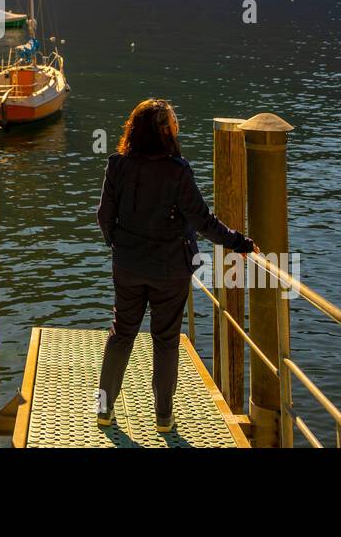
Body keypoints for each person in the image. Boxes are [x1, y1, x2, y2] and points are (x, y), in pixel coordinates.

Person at [95, 99, 257, 433]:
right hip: (170, 268)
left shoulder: (117, 165)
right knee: (166, 339)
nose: (177, 126)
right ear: (166, 130)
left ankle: (104, 409)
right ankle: (164, 417)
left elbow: (104, 216)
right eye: (173, 121)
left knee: (121, 332)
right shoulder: (177, 170)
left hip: (127, 263)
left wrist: (119, 245)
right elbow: (202, 220)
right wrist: (239, 242)